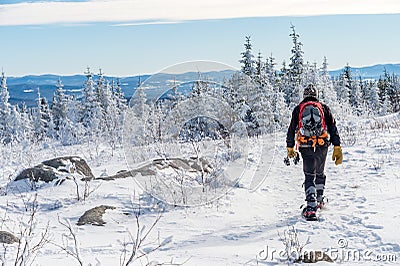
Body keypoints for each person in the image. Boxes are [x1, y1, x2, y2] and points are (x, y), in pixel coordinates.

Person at [286, 84, 342, 220]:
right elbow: (333, 128)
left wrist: (290, 147)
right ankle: (319, 199)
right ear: (316, 95)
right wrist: (337, 146)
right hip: (322, 145)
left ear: (304, 95)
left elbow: (291, 129)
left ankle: (311, 208)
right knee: (320, 173)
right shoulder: (324, 108)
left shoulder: (298, 109)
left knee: (309, 175)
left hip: (305, 146)